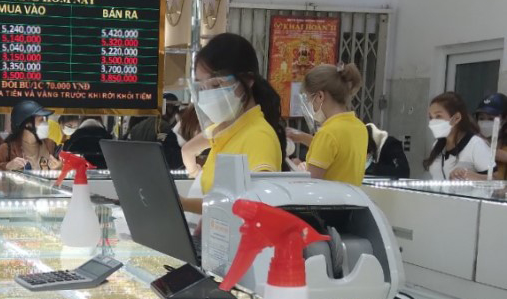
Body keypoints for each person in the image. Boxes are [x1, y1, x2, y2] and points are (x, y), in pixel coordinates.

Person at [180, 33, 285, 214]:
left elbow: (255, 208)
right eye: (202, 87)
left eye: (216, 84)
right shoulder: (225, 130)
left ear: (248, 80)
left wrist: (183, 204)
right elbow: (188, 149)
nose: (208, 95)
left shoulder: (259, 137)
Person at [301, 63, 367, 185]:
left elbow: (311, 184)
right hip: (352, 201)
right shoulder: (360, 127)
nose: (310, 105)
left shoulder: (327, 133)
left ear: (320, 96)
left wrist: (298, 169)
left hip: (328, 202)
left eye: (310, 99)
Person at [423, 92, 493, 180]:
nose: (433, 121)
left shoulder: (476, 144)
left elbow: (495, 179)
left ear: (456, 118)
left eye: (438, 116)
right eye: (431, 117)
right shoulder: (437, 145)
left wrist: (470, 175)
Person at [0, 100, 60, 171]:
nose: (46, 124)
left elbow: (66, 173)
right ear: (27, 124)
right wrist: (7, 167)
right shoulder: (6, 150)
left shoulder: (51, 145)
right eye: (41, 120)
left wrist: (59, 168)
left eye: (46, 120)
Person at [127, 94, 183, 169]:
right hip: (155, 168)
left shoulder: (139, 126)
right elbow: (162, 143)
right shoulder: (163, 128)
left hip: (137, 167)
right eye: (174, 109)